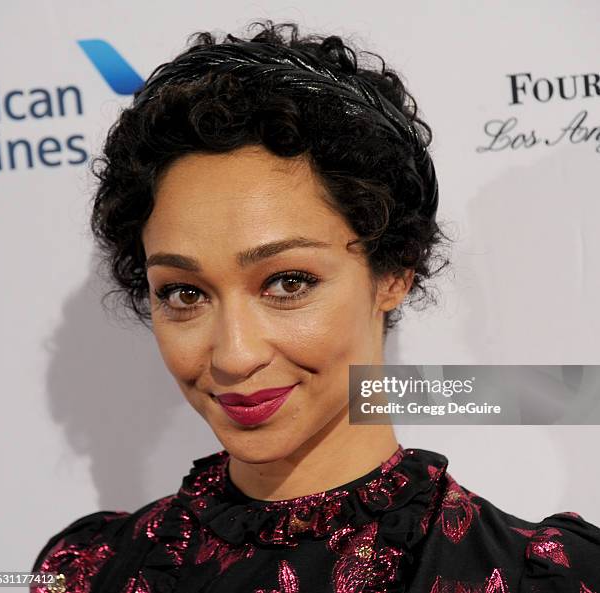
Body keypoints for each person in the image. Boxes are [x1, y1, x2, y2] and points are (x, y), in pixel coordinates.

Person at [30, 20, 600, 593]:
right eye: (185, 293)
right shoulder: (84, 571)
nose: (234, 354)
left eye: (288, 282)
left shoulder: (540, 579)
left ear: (393, 269)